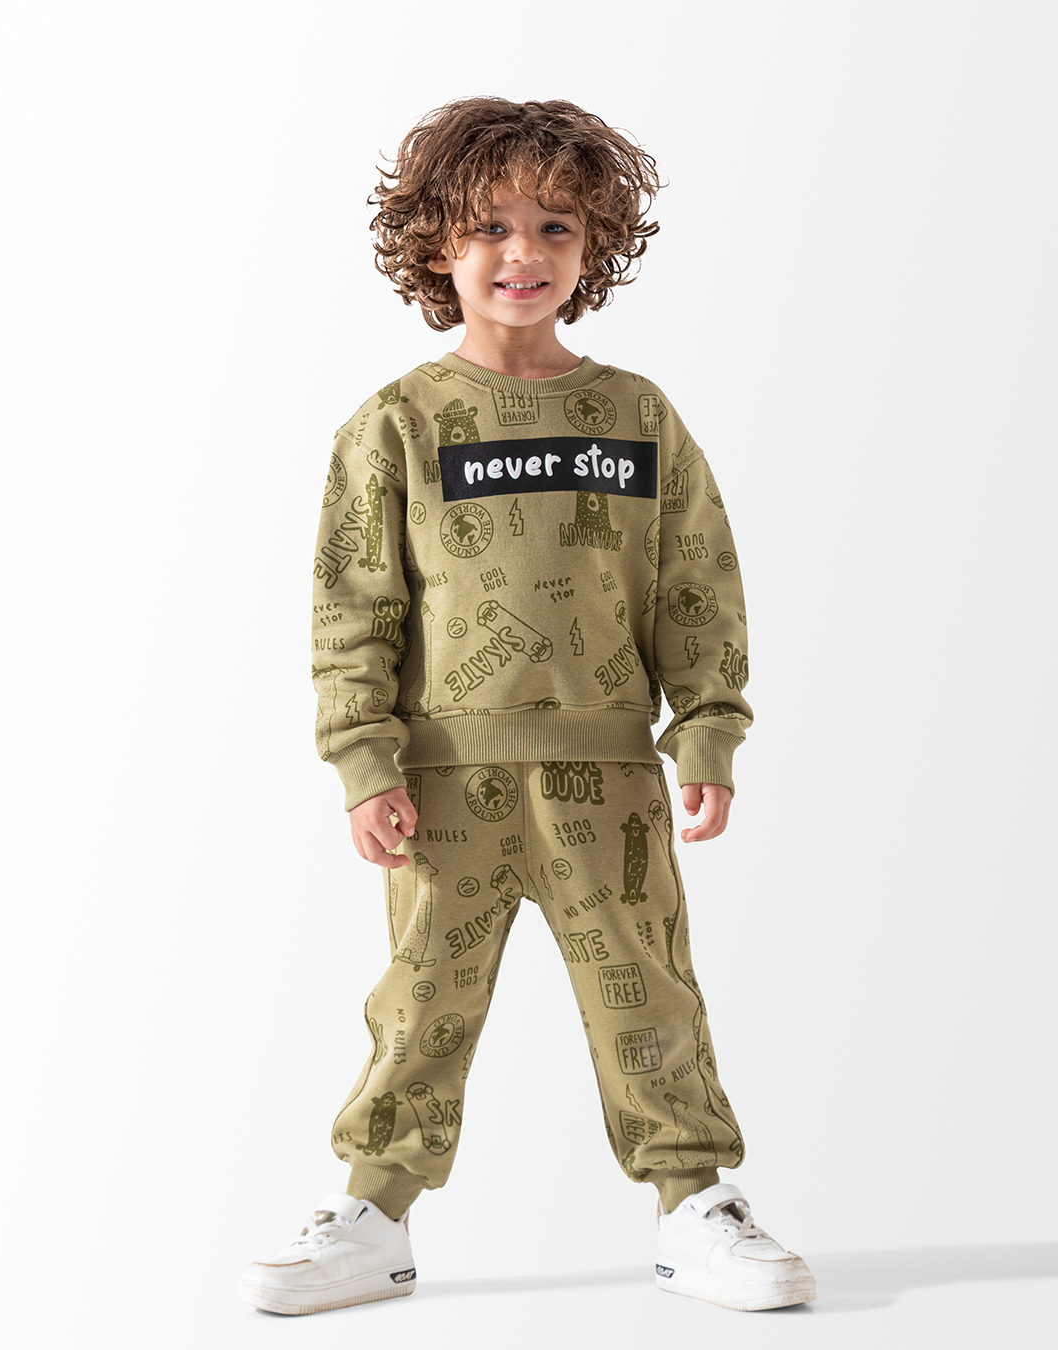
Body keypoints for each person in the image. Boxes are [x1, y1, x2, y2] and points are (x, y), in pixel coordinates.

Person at [240, 96, 815, 1316]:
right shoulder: (395, 425)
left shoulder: (638, 416)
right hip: (441, 784)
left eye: (556, 225)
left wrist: (707, 729)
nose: (524, 252)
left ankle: (693, 1202)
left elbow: (696, 583)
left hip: (608, 777)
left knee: (648, 989)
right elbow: (353, 606)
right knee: (422, 999)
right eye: (490, 225)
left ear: (594, 245)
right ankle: (374, 1212)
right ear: (434, 245)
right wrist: (364, 762)